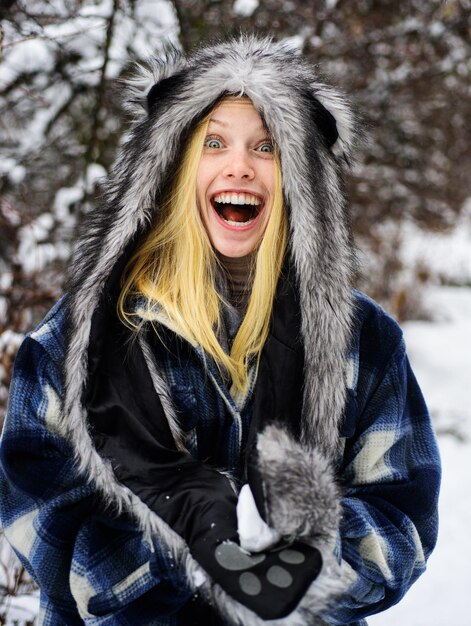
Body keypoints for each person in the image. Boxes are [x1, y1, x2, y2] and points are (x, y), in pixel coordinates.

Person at [0, 35, 440, 626]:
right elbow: (35, 513)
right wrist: (187, 541)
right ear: (177, 167)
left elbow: (404, 521)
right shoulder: (79, 339)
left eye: (268, 147)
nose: (240, 165)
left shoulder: (363, 342)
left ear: (299, 182)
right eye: (214, 143)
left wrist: (302, 543)